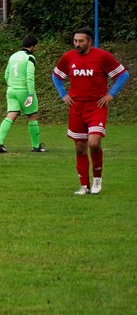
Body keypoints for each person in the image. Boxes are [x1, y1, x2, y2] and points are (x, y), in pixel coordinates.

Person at [52, 28, 129, 195]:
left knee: (94, 143)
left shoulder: (102, 56)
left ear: (89, 42)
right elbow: (56, 75)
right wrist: (63, 94)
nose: (77, 44)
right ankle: (84, 186)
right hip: (76, 107)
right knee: (80, 148)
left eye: (81, 41)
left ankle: (97, 179)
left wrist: (111, 94)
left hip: (96, 106)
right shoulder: (68, 57)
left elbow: (123, 75)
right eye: (75, 41)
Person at [0, 34, 46, 153]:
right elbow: (30, 76)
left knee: (10, 115)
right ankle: (36, 146)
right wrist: (31, 94)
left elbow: (6, 74)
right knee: (32, 116)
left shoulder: (13, 56)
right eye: (35, 46)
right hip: (24, 90)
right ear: (32, 46)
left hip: (11, 90)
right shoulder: (30, 58)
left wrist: (11, 85)